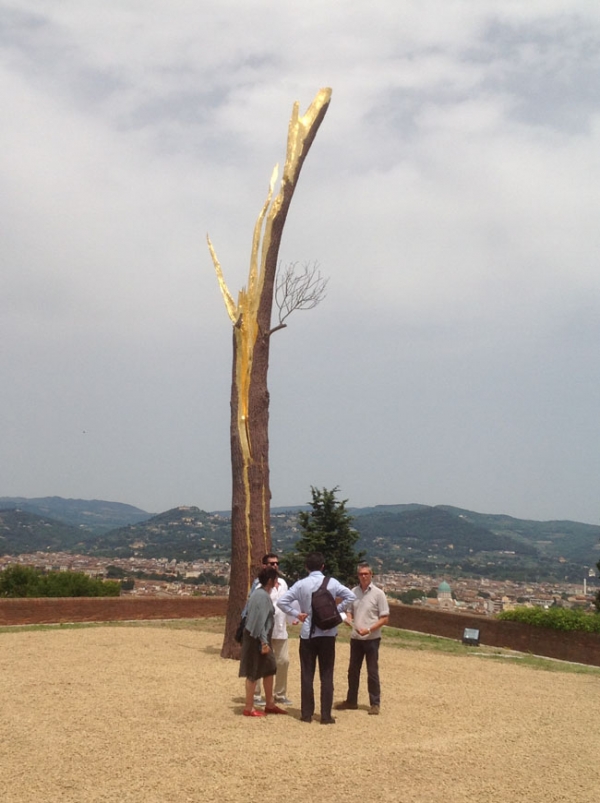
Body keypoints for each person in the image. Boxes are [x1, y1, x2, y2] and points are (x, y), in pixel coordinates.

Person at [278, 552, 356, 725]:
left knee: (307, 674)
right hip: (328, 633)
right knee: (327, 675)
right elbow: (351, 596)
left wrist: (297, 614)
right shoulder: (332, 583)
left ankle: (306, 714)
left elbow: (282, 602)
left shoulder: (301, 584)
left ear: (306, 567)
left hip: (308, 633)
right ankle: (326, 715)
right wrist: (335, 610)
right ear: (322, 566)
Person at [335, 563, 389, 715]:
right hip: (356, 637)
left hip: (372, 638)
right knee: (353, 670)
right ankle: (351, 700)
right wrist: (349, 620)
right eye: (361, 574)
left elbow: (384, 618)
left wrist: (370, 629)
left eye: (366, 574)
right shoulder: (353, 592)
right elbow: (349, 611)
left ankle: (375, 703)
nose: (363, 576)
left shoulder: (379, 594)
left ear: (371, 575)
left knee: (372, 671)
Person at [239, 566, 288, 718]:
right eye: (275, 580)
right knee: (253, 672)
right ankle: (248, 707)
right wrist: (264, 642)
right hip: (256, 639)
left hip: (259, 637)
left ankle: (270, 704)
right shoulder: (261, 596)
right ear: (270, 581)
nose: (277, 583)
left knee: (269, 669)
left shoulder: (259, 594)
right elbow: (259, 622)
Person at [253, 553, 297, 705]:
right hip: (264, 631)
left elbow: (288, 604)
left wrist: (293, 618)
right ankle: (256, 695)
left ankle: (280, 694)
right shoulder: (259, 585)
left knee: (283, 661)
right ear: (264, 566)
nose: (275, 566)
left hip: (280, 629)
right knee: (260, 662)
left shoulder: (283, 584)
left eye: (277, 563)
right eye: (272, 564)